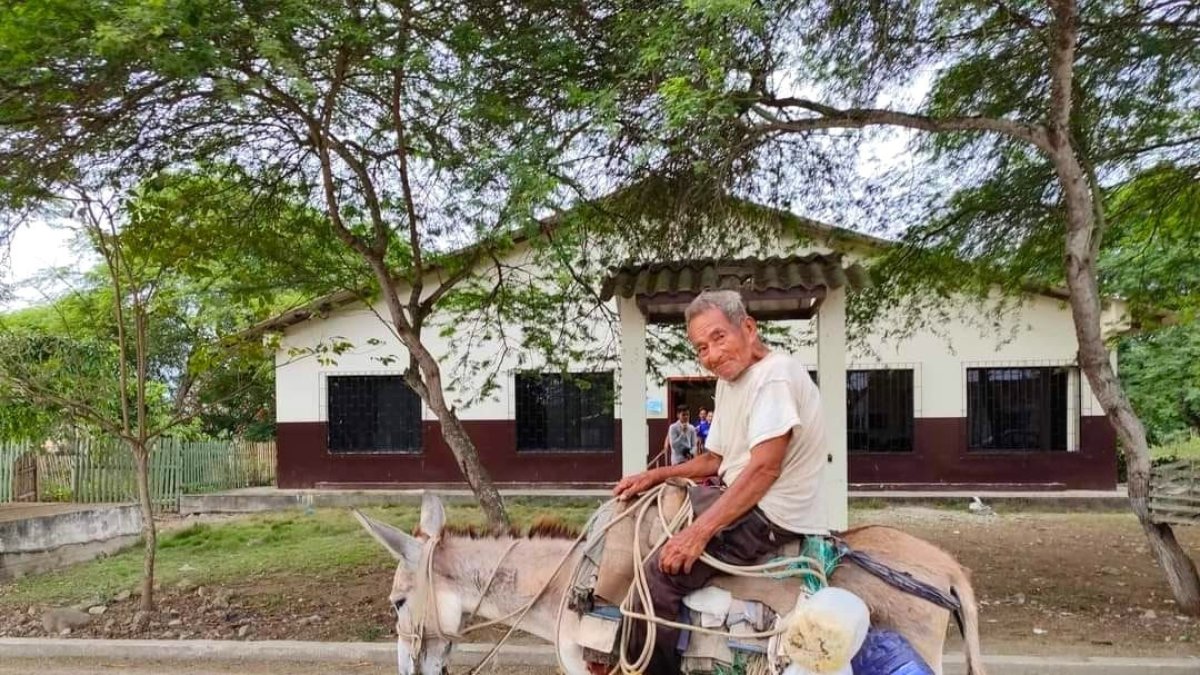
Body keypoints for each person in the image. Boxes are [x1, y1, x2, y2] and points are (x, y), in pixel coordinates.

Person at [612, 290, 828, 675]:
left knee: (657, 579)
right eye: (701, 348)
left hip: (770, 513)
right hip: (744, 495)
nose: (711, 355)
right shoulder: (730, 381)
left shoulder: (775, 376)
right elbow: (715, 459)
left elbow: (764, 470)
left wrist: (697, 534)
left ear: (748, 328)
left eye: (719, 337)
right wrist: (653, 475)